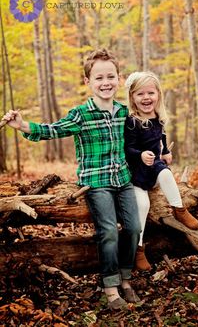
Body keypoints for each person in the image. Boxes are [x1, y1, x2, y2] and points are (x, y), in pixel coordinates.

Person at [2, 49, 141, 310]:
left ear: (119, 79)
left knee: (134, 228)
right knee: (109, 231)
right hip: (95, 182)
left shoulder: (124, 112)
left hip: (123, 179)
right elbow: (52, 129)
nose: (105, 82)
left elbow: (142, 138)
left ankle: (126, 278)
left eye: (111, 76)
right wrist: (22, 126)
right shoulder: (81, 114)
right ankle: (111, 289)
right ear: (87, 81)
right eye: (99, 78)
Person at [124, 71, 198, 271]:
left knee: (165, 172)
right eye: (140, 94)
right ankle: (138, 249)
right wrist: (140, 155)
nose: (146, 98)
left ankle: (179, 210)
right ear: (132, 97)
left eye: (150, 93)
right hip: (137, 173)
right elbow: (128, 148)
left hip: (154, 168)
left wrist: (165, 152)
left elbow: (161, 137)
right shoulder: (132, 121)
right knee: (143, 205)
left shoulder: (158, 117)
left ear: (158, 94)